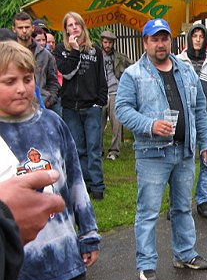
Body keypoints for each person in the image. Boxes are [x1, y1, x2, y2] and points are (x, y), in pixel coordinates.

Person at [0, 41, 101, 280]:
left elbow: (75, 180)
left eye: (28, 79)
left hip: (61, 263)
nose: (22, 88)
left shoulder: (53, 123)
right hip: (11, 271)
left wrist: (88, 233)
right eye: (9, 81)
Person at [115, 19, 207, 280]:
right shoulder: (133, 74)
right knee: (148, 212)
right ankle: (146, 265)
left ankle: (185, 254)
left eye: (164, 38)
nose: (160, 44)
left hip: (183, 151)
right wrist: (150, 125)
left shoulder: (185, 70)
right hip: (152, 154)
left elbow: (199, 109)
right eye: (155, 39)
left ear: (171, 40)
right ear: (145, 43)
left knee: (182, 208)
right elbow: (122, 109)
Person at [53, 12, 108, 200]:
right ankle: (85, 184)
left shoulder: (95, 51)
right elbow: (66, 73)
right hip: (70, 107)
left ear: (83, 26)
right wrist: (75, 51)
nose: (74, 27)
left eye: (77, 24)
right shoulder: (60, 50)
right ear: (66, 29)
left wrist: (100, 101)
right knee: (79, 149)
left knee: (94, 148)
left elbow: (101, 77)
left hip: (91, 106)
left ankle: (98, 186)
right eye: (70, 25)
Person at [177, 23, 207, 219]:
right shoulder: (179, 61)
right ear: (189, 38)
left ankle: (203, 199)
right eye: (194, 35)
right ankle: (179, 202)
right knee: (182, 163)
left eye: (201, 36)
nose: (197, 39)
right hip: (185, 121)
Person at [12, 12, 60, 113]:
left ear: (32, 28)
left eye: (27, 27)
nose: (24, 31)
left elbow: (53, 82)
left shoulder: (46, 55)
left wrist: (49, 101)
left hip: (42, 107)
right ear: (14, 29)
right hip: (15, 106)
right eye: (20, 28)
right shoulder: (8, 54)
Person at [99, 30, 133, 161]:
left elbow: (133, 66)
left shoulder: (120, 57)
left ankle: (114, 151)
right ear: (101, 42)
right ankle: (98, 149)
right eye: (105, 42)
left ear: (113, 43)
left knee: (116, 124)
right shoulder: (96, 56)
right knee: (98, 124)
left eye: (110, 42)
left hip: (115, 92)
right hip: (100, 93)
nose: (107, 45)